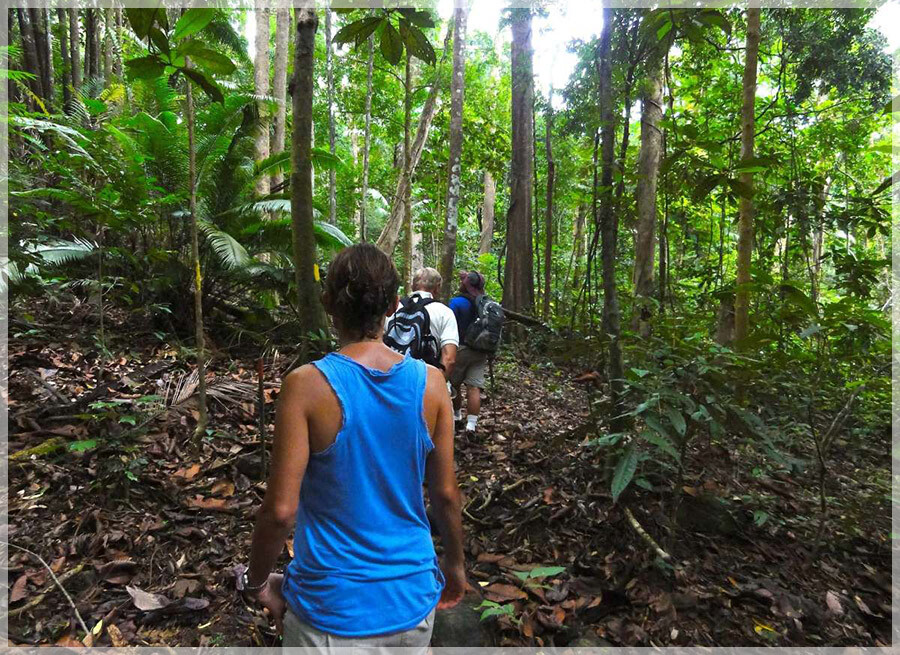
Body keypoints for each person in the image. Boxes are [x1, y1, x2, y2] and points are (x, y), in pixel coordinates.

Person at [239, 244, 466, 648]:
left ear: (329, 302)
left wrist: (256, 582)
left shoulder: (306, 386)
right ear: (394, 304)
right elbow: (446, 494)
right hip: (411, 600)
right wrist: (456, 564)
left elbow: (280, 511)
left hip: (330, 610)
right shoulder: (432, 384)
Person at [384, 267, 458, 380]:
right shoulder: (444, 312)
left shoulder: (394, 308)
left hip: (391, 377)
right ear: (437, 288)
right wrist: (437, 385)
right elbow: (449, 359)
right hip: (424, 379)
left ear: (413, 286)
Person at [449, 271, 490, 434]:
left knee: (454, 384)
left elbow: (449, 323)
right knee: (474, 387)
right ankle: (471, 425)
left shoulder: (457, 302)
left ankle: (457, 416)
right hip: (480, 350)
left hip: (461, 347)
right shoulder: (486, 303)